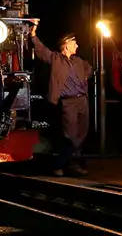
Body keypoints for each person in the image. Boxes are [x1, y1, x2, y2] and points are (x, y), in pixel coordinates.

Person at [30, 29, 92, 177]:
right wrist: (33, 35)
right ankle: (60, 164)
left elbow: (89, 69)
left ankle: (72, 163)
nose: (77, 45)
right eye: (74, 43)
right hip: (68, 102)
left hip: (82, 100)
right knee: (70, 135)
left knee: (82, 132)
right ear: (66, 46)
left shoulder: (78, 61)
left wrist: (84, 79)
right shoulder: (56, 59)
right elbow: (42, 51)